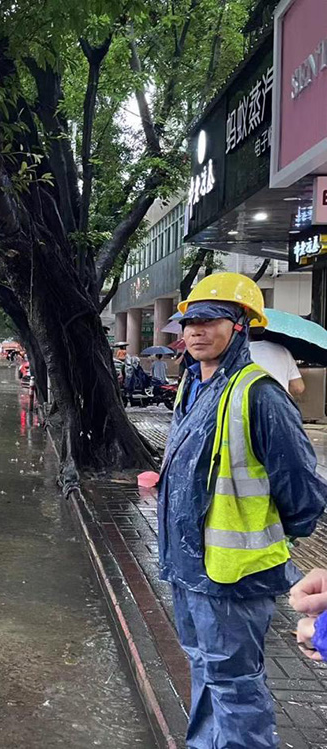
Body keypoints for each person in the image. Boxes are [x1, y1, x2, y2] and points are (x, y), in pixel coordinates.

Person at [158, 273, 326, 748]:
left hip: (233, 577)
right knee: (203, 668)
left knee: (233, 684)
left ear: (241, 327)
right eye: (190, 321)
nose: (196, 330)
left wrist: (273, 536)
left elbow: (302, 490)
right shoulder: (193, 386)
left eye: (210, 320)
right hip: (187, 567)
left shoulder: (259, 393)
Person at [250, 327, 305, 399]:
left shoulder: (241, 352)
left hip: (249, 402)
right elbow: (298, 387)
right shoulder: (283, 350)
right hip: (280, 402)